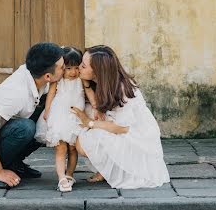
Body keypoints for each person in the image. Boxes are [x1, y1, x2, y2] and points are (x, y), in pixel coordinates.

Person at [0, 42, 64, 189]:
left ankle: (13, 164)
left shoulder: (35, 72)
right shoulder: (17, 93)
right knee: (26, 128)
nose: (66, 68)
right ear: (48, 76)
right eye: (62, 67)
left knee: (47, 118)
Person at [71, 45, 170, 189]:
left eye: (83, 66)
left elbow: (122, 128)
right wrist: (86, 85)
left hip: (135, 135)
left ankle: (113, 170)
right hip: (118, 125)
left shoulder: (122, 88)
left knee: (83, 142)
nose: (79, 67)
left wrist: (90, 123)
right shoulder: (102, 81)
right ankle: (106, 170)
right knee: (84, 131)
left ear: (98, 71)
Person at [35, 46, 97, 192]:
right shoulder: (58, 79)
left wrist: (95, 107)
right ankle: (61, 177)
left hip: (76, 117)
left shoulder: (81, 79)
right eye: (69, 68)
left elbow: (88, 92)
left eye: (76, 67)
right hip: (60, 116)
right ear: (62, 67)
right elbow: (50, 93)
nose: (73, 72)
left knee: (73, 148)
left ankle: (70, 175)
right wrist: (48, 110)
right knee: (61, 148)